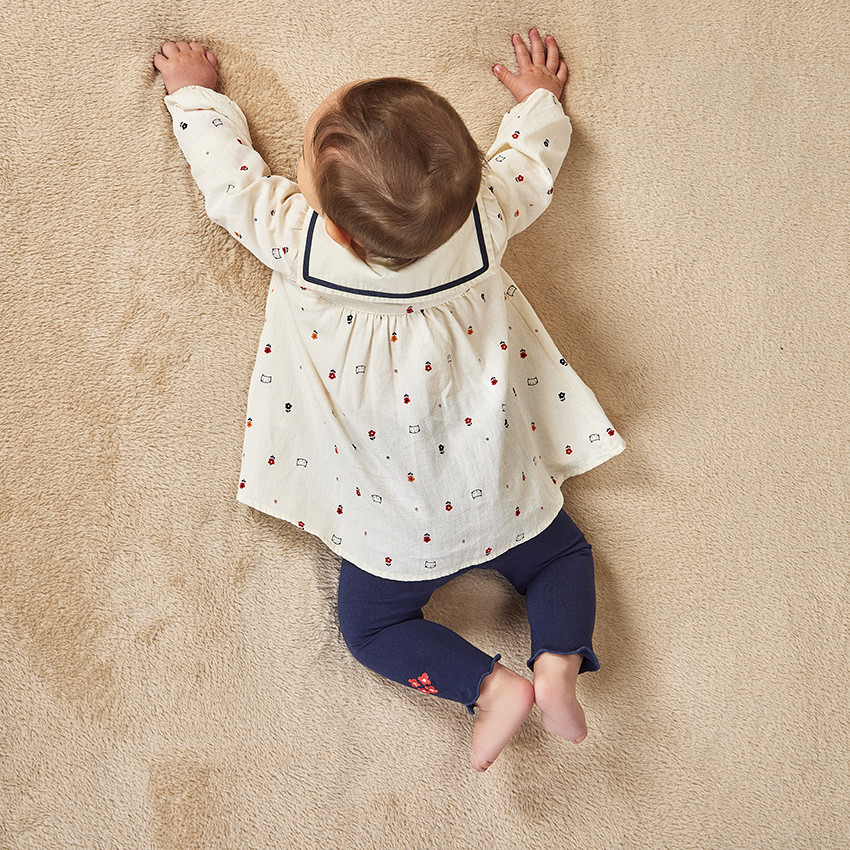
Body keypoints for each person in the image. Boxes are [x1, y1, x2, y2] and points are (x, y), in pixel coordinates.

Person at [154, 29, 625, 772]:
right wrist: (539, 102)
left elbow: (231, 187)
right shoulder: (483, 224)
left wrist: (196, 96)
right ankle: (558, 663)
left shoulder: (301, 246)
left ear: (332, 221)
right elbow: (529, 165)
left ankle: (489, 686)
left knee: (371, 630)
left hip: (391, 532)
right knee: (562, 554)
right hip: (501, 489)